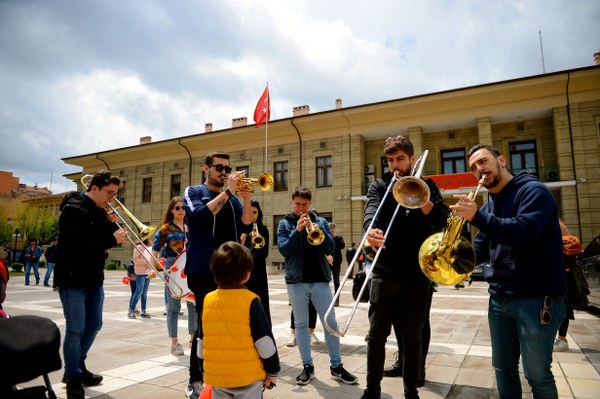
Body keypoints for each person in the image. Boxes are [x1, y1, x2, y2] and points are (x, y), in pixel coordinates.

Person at [453, 144, 566, 398]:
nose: (479, 170)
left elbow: (524, 231)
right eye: (473, 167)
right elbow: (479, 248)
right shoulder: (491, 204)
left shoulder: (533, 191)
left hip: (536, 299)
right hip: (500, 299)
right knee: (503, 368)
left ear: (501, 160)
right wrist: (450, 258)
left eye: (483, 162)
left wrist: (478, 218)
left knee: (537, 375)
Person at [361, 135, 449, 399]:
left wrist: (420, 196)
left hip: (417, 276)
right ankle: (372, 390)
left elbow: (442, 219)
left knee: (412, 338)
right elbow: (371, 211)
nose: (395, 165)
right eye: (390, 160)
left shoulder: (428, 186)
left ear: (412, 159)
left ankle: (411, 391)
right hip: (384, 272)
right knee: (376, 336)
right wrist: (370, 231)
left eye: (400, 159)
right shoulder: (380, 185)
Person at [182, 151, 253, 399]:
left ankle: (225, 374)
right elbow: (199, 216)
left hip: (231, 270)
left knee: (232, 324)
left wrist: (245, 199)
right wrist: (230, 192)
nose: (224, 172)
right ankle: (195, 379)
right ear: (207, 168)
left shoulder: (232, 199)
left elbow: (246, 225)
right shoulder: (193, 192)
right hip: (202, 269)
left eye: (227, 168)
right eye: (219, 167)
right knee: (204, 325)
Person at [54, 169, 127, 399]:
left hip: (94, 278)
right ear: (94, 188)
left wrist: (112, 225)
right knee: (75, 329)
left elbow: (105, 241)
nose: (112, 199)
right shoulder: (73, 209)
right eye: (110, 193)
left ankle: (78, 366)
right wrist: (110, 236)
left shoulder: (99, 210)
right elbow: (79, 244)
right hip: (73, 277)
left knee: (94, 325)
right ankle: (73, 376)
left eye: (115, 194)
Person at [277, 185, 358, 386]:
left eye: (305, 204)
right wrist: (297, 231)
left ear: (311, 203)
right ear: (291, 202)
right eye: (297, 204)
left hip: (320, 280)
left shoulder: (320, 221)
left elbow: (331, 247)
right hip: (296, 281)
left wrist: (318, 227)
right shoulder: (284, 224)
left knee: (330, 323)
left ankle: (336, 366)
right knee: (302, 325)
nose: (301, 208)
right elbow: (284, 251)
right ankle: (307, 367)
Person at [198, 241, 280, 398]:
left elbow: (202, 341)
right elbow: (264, 341)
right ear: (246, 274)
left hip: (219, 377)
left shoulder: (208, 300)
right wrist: (272, 371)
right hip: (248, 377)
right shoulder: (250, 301)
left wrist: (205, 369)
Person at [152, 197, 198, 356]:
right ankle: (174, 342)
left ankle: (193, 339)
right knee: (173, 307)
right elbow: (156, 248)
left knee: (193, 304)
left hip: (190, 264)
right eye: (177, 208)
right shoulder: (166, 228)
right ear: (171, 210)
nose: (180, 210)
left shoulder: (190, 226)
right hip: (172, 266)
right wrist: (153, 267)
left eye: (183, 208)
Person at [240, 199, 272, 324]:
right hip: (243, 273)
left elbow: (264, 254)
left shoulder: (263, 230)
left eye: (255, 212)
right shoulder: (240, 229)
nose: (252, 215)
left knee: (260, 303)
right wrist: (242, 240)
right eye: (249, 212)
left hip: (258, 273)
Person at [554, 220, 580, 352]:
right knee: (563, 304)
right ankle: (561, 339)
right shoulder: (559, 222)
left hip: (562, 271)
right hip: (566, 270)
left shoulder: (553, 222)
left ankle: (561, 339)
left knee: (561, 305)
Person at [128, 237, 155, 319]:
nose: (150, 238)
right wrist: (147, 261)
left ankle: (143, 311)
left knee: (144, 293)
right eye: (149, 237)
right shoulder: (139, 247)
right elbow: (135, 260)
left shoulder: (150, 247)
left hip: (147, 272)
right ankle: (131, 311)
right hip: (140, 272)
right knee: (139, 291)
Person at [329, 223, 345, 306]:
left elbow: (342, 246)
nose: (332, 229)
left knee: (336, 282)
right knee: (325, 280)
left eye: (333, 228)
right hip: (327, 262)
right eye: (330, 228)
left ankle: (336, 299)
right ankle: (326, 298)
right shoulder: (326, 237)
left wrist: (336, 238)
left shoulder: (339, 237)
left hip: (337, 262)